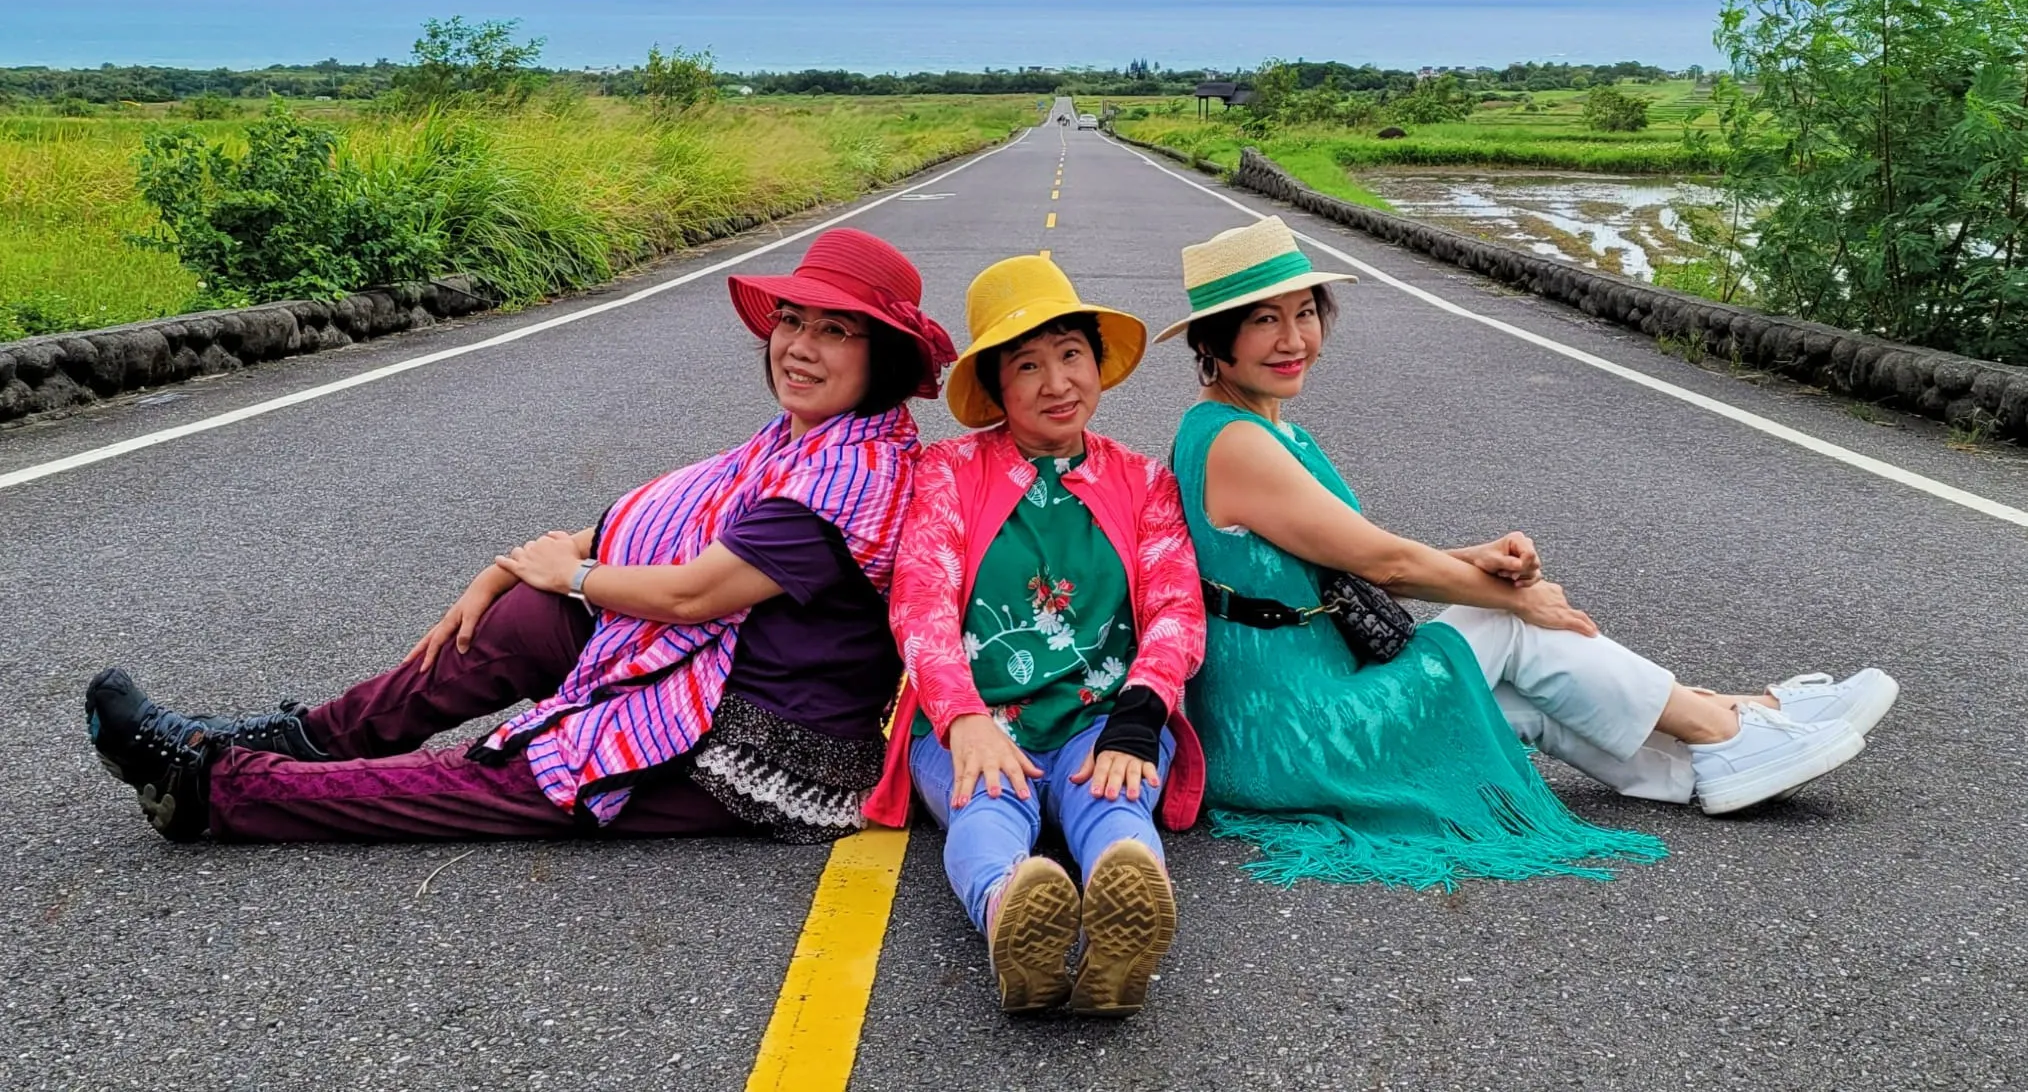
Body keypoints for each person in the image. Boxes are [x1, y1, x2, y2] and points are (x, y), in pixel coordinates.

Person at [84, 228, 957, 846]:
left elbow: (693, 592)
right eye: (792, 322)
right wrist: (508, 572)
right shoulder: (800, 441)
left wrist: (567, 574)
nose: (799, 347)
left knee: (514, 778)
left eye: (834, 331)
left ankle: (216, 788)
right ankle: (300, 738)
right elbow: (649, 522)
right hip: (709, 672)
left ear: (880, 357)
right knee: (530, 620)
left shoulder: (855, 473)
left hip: (764, 750)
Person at [1160, 218, 1897, 890]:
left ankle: (1707, 764)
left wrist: (1472, 559)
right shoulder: (1235, 444)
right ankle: (1730, 725)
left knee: (1520, 698)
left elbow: (1341, 564)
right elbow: (1386, 566)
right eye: (1265, 320)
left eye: (1305, 313)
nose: (1294, 339)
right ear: (1212, 342)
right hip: (1291, 734)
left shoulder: (1266, 429)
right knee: (1509, 625)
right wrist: (1515, 597)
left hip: (1294, 717)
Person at [863, 255, 1206, 1017]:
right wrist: (965, 721)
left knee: (1116, 806)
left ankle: (1126, 923)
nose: (1057, 383)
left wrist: (1137, 721)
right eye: (1027, 365)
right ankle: (1010, 914)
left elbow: (1176, 609)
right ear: (996, 388)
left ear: (1097, 363)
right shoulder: (949, 471)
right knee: (986, 807)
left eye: (1071, 355)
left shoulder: (1145, 482)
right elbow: (921, 602)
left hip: (1104, 717)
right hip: (978, 720)